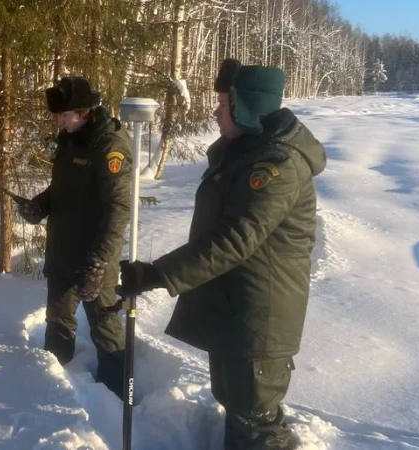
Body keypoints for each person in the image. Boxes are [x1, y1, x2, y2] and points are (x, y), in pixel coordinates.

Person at [118, 59, 326, 449]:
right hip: (234, 312)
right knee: (236, 409)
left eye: (224, 103)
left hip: (258, 320)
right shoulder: (242, 153)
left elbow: (234, 239)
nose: (215, 112)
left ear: (247, 108)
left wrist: (157, 274)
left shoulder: (276, 165)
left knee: (257, 429)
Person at [15, 76, 133, 399]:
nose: (60, 122)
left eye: (65, 116)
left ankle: (119, 398)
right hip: (63, 250)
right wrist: (40, 205)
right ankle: (53, 390)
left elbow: (119, 208)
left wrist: (100, 259)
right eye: (59, 116)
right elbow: (63, 187)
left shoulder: (109, 144)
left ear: (84, 112)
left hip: (95, 256)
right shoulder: (69, 138)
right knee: (58, 320)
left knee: (105, 328)